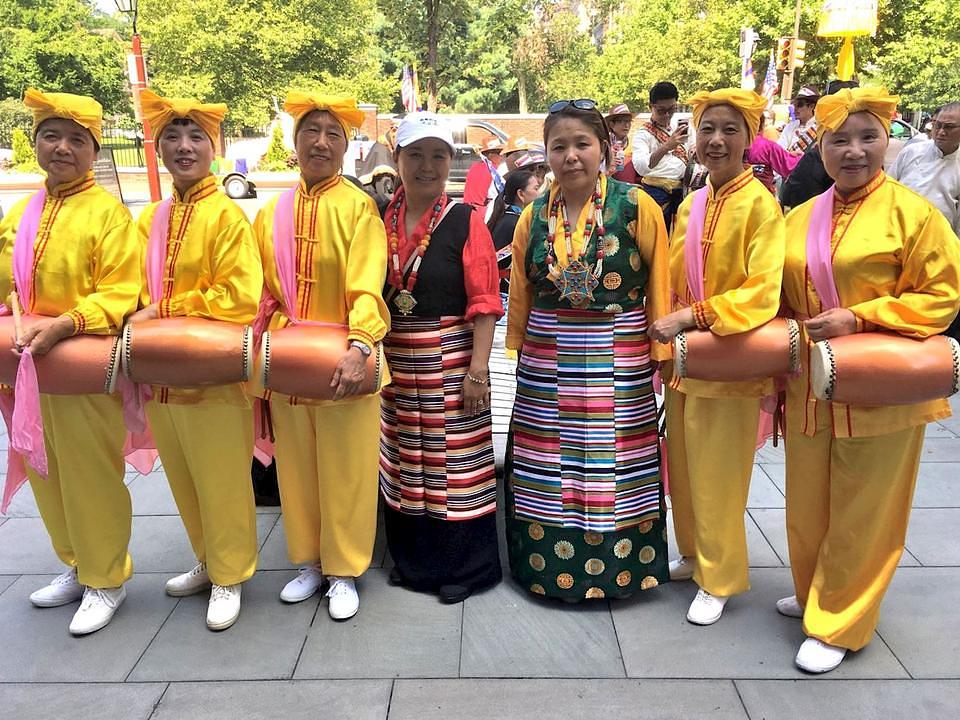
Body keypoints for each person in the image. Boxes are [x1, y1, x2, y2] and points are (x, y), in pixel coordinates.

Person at [779, 87, 960, 674]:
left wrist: (862, 316)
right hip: (811, 382)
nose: (853, 150)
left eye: (867, 137)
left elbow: (942, 297)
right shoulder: (800, 216)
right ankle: (814, 593)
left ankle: (842, 620)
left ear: (889, 140)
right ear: (821, 147)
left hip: (879, 386)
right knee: (808, 501)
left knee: (867, 506)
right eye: (839, 140)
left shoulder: (915, 214)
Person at [505, 98, 671, 601]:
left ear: (605, 148)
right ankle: (543, 569)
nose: (571, 156)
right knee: (546, 464)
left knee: (615, 464)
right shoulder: (532, 216)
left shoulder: (636, 205)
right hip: (547, 355)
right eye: (560, 146)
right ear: (546, 155)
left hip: (618, 356)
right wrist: (516, 352)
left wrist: (661, 356)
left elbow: (659, 281)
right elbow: (521, 290)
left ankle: (619, 572)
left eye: (582, 144)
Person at [0, 89, 140, 635]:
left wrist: (63, 324)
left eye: (76, 140)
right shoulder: (21, 213)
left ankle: (108, 578)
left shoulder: (107, 214)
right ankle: (79, 565)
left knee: (90, 474)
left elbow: (120, 292)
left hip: (80, 363)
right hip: (25, 371)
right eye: (51, 136)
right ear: (35, 143)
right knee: (45, 471)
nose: (62, 149)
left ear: (93, 151)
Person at [648, 89, 785, 626]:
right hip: (687, 362)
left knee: (720, 474)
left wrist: (692, 317)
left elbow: (762, 292)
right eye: (707, 129)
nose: (717, 139)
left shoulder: (760, 205)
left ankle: (721, 575)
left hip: (730, 357)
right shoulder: (693, 200)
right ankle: (696, 553)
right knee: (682, 467)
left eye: (730, 129)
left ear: (750, 139)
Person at [252, 92, 390, 620]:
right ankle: (308, 561)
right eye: (312, 130)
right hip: (288, 358)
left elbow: (367, 284)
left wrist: (361, 344)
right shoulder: (271, 212)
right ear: (295, 140)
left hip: (344, 359)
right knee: (298, 468)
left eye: (334, 133)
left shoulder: (358, 207)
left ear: (346, 146)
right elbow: (261, 291)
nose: (321, 141)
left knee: (347, 468)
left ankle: (344, 569)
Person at [129, 90, 263, 631]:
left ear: (215, 148)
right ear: (158, 148)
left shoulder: (226, 217)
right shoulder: (151, 218)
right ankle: (208, 561)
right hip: (160, 374)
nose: (184, 148)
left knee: (222, 478)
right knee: (183, 475)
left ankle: (231, 574)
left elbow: (239, 298)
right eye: (172, 138)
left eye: (195, 138)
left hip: (212, 375)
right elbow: (129, 289)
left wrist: (163, 309)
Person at [378, 113, 504, 603]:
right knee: (408, 463)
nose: (426, 166)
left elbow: (485, 302)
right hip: (397, 362)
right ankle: (413, 564)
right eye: (415, 155)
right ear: (397, 159)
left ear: (451, 161)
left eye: (438, 155)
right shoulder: (380, 218)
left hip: (453, 361)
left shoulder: (465, 220)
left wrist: (478, 372)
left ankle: (465, 569)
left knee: (458, 464)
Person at [889, 101, 960, 233]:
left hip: (938, 238)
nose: (941, 132)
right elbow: (888, 188)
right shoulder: (912, 152)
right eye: (937, 125)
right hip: (899, 230)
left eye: (949, 127)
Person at [632, 82, 693, 232]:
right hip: (656, 190)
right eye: (661, 111)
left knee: (682, 233)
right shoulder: (643, 134)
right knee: (657, 233)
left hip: (682, 188)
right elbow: (641, 167)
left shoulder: (679, 128)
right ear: (650, 106)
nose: (667, 115)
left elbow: (692, 149)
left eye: (671, 110)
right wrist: (667, 146)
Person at [488, 169, 540, 300]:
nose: (540, 194)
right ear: (521, 194)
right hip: (506, 295)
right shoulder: (515, 223)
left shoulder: (509, 218)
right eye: (536, 189)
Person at [747, 113, 801, 194]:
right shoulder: (767, 146)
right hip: (762, 195)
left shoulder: (731, 144)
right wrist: (801, 156)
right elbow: (789, 166)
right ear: (761, 125)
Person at [463, 137, 505, 223]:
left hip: (468, 211)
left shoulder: (474, 167)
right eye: (499, 153)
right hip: (483, 213)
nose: (501, 156)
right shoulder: (495, 171)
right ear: (490, 155)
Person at [778, 85, 820, 154]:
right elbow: (779, 149)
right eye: (794, 104)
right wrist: (790, 155)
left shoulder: (819, 127)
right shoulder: (790, 127)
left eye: (800, 105)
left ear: (811, 106)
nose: (795, 108)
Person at [605, 104, 634, 179]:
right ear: (611, 124)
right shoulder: (603, 145)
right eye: (621, 121)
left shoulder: (633, 144)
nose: (627, 125)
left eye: (629, 121)